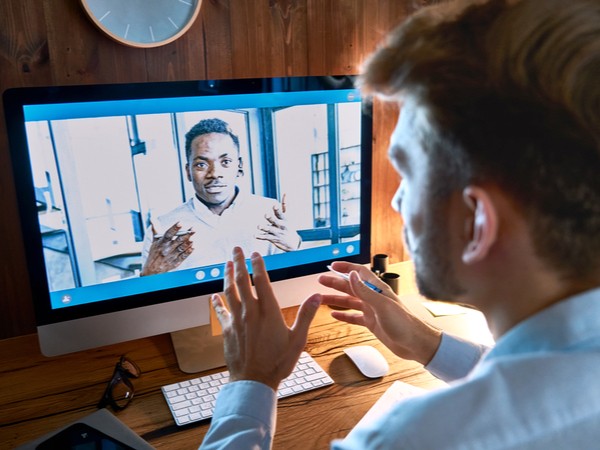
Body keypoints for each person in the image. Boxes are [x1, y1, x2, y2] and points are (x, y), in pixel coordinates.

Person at [202, 0, 600, 448]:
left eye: (408, 174)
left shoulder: (409, 438)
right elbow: (542, 384)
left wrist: (252, 381)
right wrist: (427, 344)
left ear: (477, 223)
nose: (394, 199)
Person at [140, 118, 300, 276]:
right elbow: (148, 298)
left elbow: (292, 281)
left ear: (239, 166)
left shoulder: (270, 213)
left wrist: (295, 249)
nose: (215, 174)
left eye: (226, 161)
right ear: (188, 171)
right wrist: (149, 276)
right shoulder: (162, 229)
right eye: (201, 164)